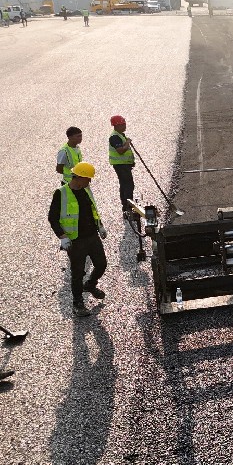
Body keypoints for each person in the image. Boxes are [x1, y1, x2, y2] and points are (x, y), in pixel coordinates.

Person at [48, 162, 108, 317]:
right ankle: (78, 304)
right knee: (77, 273)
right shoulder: (61, 193)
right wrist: (62, 237)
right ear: (79, 177)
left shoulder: (86, 190)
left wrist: (100, 226)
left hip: (92, 236)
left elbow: (93, 210)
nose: (90, 182)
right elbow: (52, 218)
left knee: (101, 264)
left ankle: (90, 284)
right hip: (76, 241)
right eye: (88, 179)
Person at [108, 115, 135, 216]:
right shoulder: (114, 137)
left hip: (124, 165)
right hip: (120, 165)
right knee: (127, 186)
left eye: (125, 123)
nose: (125, 126)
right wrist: (127, 142)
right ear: (116, 125)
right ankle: (127, 207)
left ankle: (127, 207)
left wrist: (131, 162)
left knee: (125, 185)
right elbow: (120, 151)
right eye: (122, 124)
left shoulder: (120, 135)